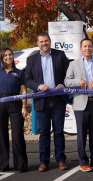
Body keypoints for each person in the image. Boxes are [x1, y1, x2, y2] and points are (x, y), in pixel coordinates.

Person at [25, 32, 69, 172]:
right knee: (44, 132)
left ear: (50, 41)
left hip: (58, 100)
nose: (44, 43)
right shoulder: (31, 60)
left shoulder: (60, 55)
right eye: (41, 41)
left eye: (46, 41)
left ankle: (61, 160)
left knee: (58, 132)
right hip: (41, 101)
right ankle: (44, 162)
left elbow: (69, 74)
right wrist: (38, 86)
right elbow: (27, 80)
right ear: (38, 44)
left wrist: (63, 84)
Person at [64, 38, 93, 172]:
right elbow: (67, 81)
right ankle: (83, 161)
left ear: (92, 48)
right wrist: (79, 81)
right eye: (85, 46)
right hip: (80, 104)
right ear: (80, 48)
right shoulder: (73, 64)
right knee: (81, 135)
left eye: (89, 46)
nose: (87, 48)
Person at [0, 48, 28, 173]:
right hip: (0, 104)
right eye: (5, 55)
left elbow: (24, 91)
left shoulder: (19, 73)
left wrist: (24, 106)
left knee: (17, 135)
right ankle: (3, 164)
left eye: (10, 55)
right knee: (1, 135)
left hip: (15, 104)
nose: (8, 57)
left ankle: (20, 165)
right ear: (2, 57)